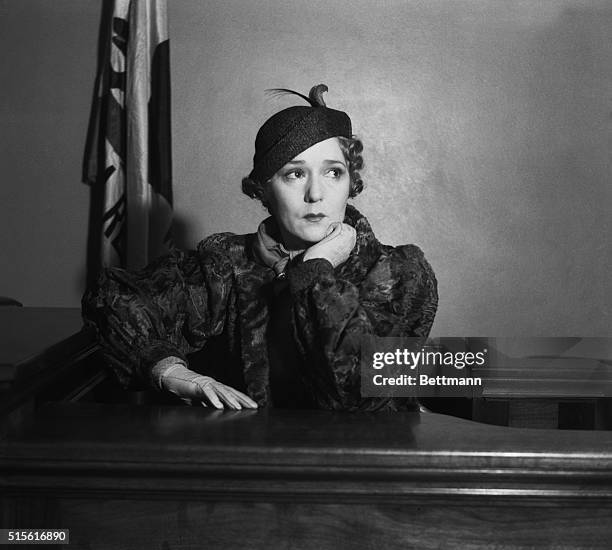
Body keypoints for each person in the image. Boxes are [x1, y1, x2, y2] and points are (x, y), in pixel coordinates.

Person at [82, 84, 438, 411]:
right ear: (264, 190)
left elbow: (355, 393)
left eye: (333, 172)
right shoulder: (225, 265)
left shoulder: (399, 272)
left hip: (372, 469)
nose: (316, 194)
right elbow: (114, 300)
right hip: (262, 466)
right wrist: (172, 372)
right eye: (294, 174)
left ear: (351, 182)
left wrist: (315, 270)